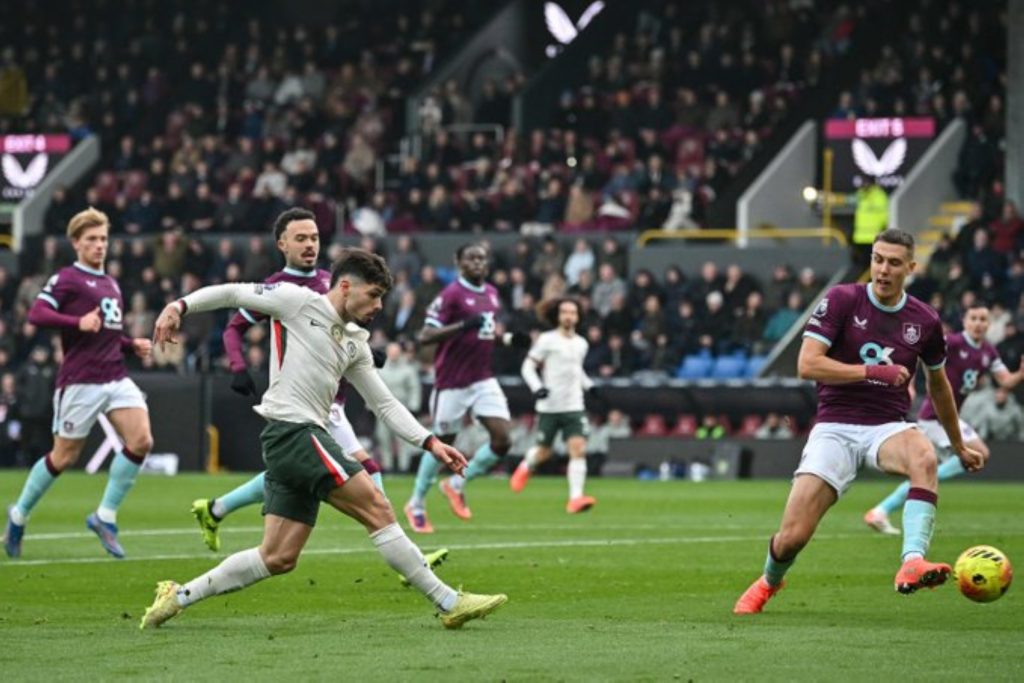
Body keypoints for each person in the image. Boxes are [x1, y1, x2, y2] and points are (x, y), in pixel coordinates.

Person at [140, 249, 506, 629]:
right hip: (294, 432)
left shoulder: (355, 342)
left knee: (278, 557)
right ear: (345, 286)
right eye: (373, 295)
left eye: (382, 297)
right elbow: (233, 293)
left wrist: (431, 442)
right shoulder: (297, 301)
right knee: (376, 506)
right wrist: (179, 306)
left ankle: (178, 595)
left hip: (294, 440)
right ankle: (449, 602)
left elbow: (384, 404)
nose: (379, 306)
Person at [733, 229, 986, 615]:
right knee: (792, 538)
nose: (883, 269)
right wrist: (872, 371)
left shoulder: (925, 319)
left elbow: (939, 386)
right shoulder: (842, 299)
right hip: (834, 426)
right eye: (877, 259)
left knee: (924, 456)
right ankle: (769, 580)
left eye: (894, 263)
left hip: (887, 426)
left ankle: (912, 560)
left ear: (911, 268)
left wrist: (958, 444)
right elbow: (807, 364)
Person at [189, 209, 388, 551]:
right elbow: (234, 327)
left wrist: (368, 352)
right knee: (368, 468)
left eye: (314, 238)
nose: (310, 245)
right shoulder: (277, 288)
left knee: (288, 473)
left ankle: (216, 509)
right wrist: (238, 367)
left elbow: (342, 332)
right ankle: (400, 547)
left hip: (332, 396)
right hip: (304, 400)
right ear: (282, 244)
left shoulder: (331, 281)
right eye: (301, 238)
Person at [3, 208, 154, 559]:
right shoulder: (68, 278)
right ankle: (19, 514)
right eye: (92, 239)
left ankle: (105, 517)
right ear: (76, 243)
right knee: (63, 456)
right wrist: (76, 322)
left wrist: (131, 345)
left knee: (142, 440)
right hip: (80, 380)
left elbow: (107, 333)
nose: (100, 245)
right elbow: (36, 313)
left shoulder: (111, 283)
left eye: (103, 239)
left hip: (115, 375)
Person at [864, 303, 1023, 534]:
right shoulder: (954, 342)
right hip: (934, 417)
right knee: (972, 455)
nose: (978, 324)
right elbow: (919, 352)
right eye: (974, 318)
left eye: (983, 319)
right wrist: (909, 383)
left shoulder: (988, 351)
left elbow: (1005, 381)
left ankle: (882, 510)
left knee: (977, 455)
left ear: (989, 324)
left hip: (951, 417)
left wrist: (1020, 374)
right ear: (964, 321)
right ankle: (886, 507)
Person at [404, 243, 529, 533]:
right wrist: (463, 325)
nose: (477, 263)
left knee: (503, 440)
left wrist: (509, 340)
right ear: (458, 262)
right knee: (441, 444)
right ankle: (416, 503)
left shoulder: (492, 294)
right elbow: (425, 335)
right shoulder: (451, 295)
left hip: (482, 378)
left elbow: (484, 334)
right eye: (471, 258)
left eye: (481, 258)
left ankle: (456, 483)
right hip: (452, 381)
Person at [512, 298, 599, 513]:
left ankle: (575, 498)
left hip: (574, 405)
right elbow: (527, 367)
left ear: (578, 317)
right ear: (558, 316)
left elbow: (576, 369)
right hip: (549, 406)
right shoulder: (546, 340)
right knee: (544, 452)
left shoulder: (581, 343)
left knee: (578, 448)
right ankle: (526, 465)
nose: (569, 316)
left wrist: (589, 386)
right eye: (564, 312)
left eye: (572, 312)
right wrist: (537, 388)